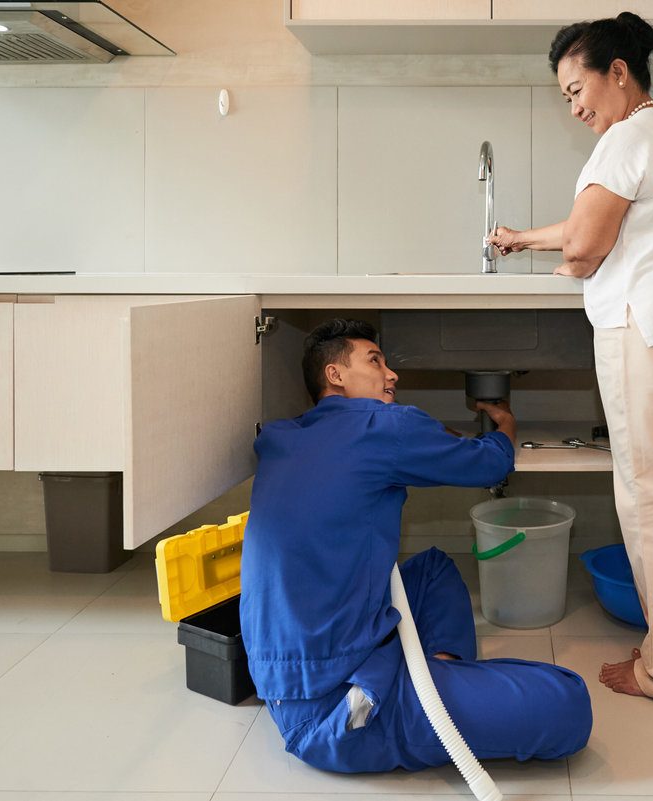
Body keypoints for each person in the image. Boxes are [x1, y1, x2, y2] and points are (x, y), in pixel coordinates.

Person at [489, 13, 653, 710]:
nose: (575, 107)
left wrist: (568, 258)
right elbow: (588, 230)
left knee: (652, 502)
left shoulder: (623, 139)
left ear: (619, 73)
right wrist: (522, 238)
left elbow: (585, 246)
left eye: (578, 89)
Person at [239, 318, 592, 774]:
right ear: (335, 375)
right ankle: (428, 700)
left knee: (434, 570)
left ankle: (434, 681)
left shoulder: (283, 436)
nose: (392, 375)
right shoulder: (384, 426)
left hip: (287, 679)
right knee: (569, 703)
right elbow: (488, 463)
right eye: (375, 361)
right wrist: (505, 425)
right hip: (341, 712)